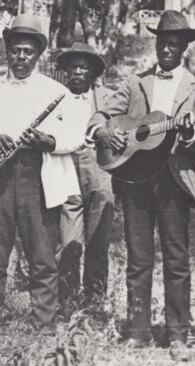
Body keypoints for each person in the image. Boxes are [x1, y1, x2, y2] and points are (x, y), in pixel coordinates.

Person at [87, 10, 195, 361]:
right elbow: (101, 114)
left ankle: (178, 335)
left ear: (184, 48)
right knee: (138, 259)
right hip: (135, 181)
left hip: (174, 181)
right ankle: (138, 332)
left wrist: (190, 132)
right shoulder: (135, 82)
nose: (167, 49)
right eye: (162, 42)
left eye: (173, 44)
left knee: (176, 260)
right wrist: (104, 132)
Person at [0, 15, 83, 335]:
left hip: (38, 177)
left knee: (42, 256)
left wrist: (49, 141)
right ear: (7, 51)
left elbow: (76, 134)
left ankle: (44, 325)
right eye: (16, 50)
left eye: (28, 51)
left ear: (38, 53)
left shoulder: (57, 92)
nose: (21, 57)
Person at [55, 42, 115, 310]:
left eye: (84, 67)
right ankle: (67, 302)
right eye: (73, 67)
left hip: (99, 167)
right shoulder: (56, 97)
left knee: (98, 240)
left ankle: (95, 304)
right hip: (66, 166)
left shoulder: (108, 98)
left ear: (92, 73)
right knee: (68, 241)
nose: (78, 72)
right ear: (66, 71)